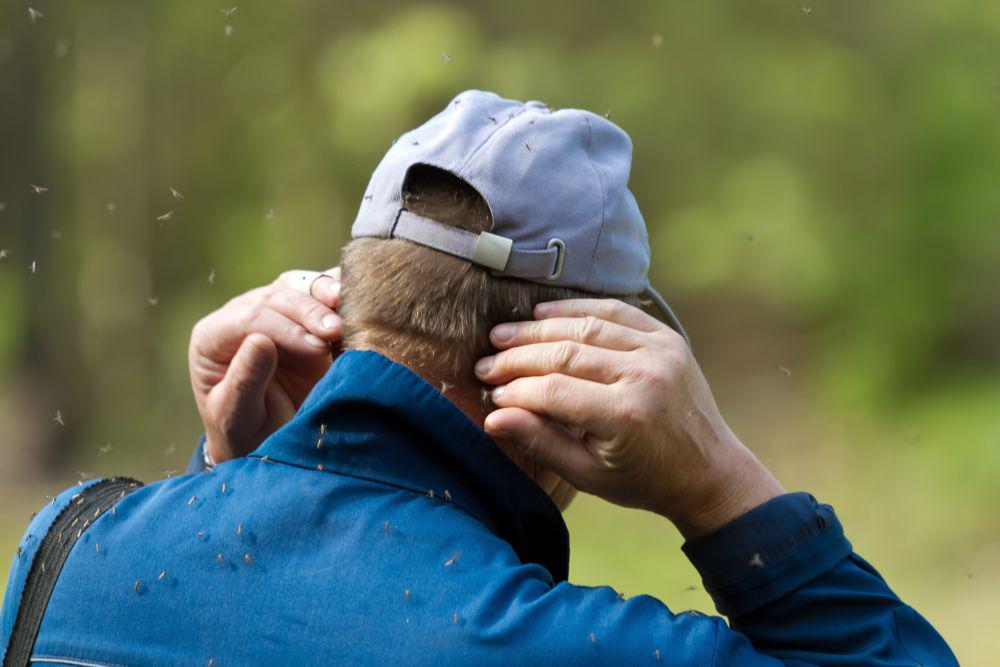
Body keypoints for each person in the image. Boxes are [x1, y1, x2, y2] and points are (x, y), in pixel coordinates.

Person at [2, 90, 957, 666]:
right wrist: (720, 484)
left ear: (353, 299)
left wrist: (228, 479)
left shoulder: (69, 550)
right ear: (569, 371)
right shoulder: (570, 646)